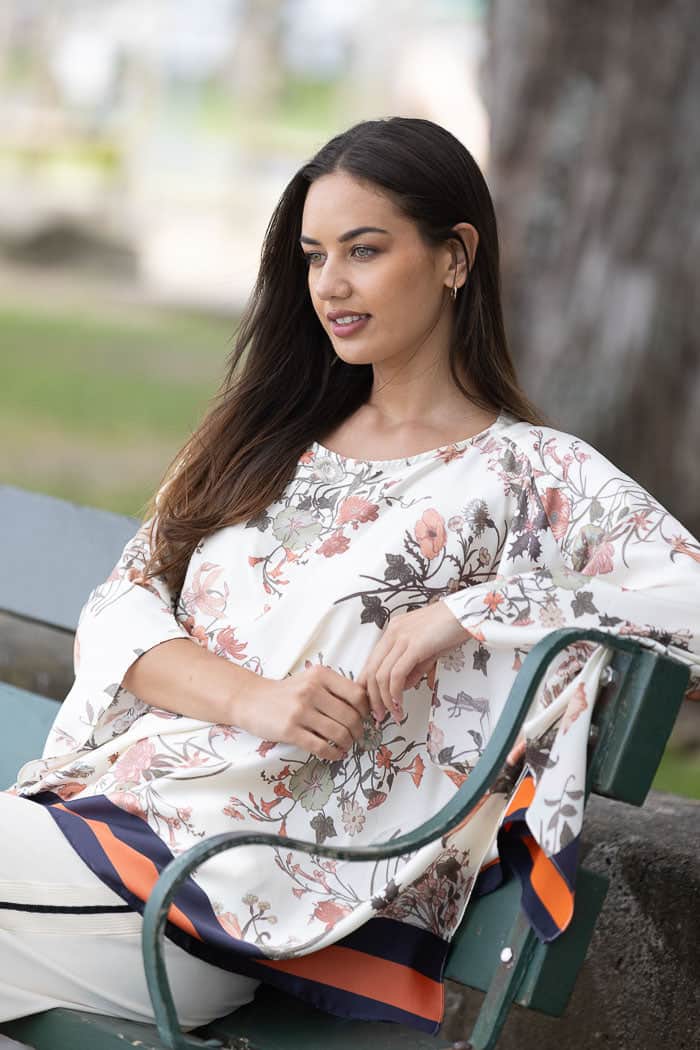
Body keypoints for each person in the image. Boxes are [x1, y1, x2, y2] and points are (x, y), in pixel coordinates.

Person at [2, 116, 699, 1035]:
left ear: (455, 257)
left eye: (364, 251)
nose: (331, 285)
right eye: (313, 255)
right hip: (102, 825)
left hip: (224, 891)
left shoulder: (534, 478)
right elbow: (120, 611)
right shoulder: (263, 437)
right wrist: (253, 698)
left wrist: (473, 611)